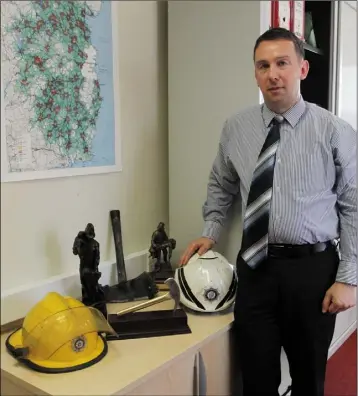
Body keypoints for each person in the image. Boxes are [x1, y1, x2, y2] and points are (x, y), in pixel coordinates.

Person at [179, 27, 356, 396]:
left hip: (313, 273)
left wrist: (349, 277)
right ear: (256, 74)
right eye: (263, 65)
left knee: (309, 378)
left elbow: (353, 205)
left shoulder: (334, 131)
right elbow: (221, 183)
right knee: (256, 378)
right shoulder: (236, 128)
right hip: (255, 270)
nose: (273, 73)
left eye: (282, 63)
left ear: (302, 69)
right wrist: (211, 230)